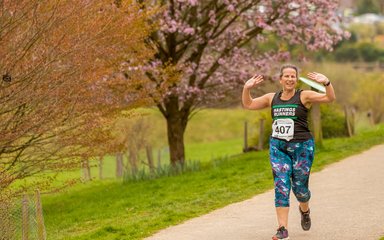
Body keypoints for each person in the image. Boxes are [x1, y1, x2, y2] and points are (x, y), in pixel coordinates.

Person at [242, 64, 336, 240]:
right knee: (281, 185)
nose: (290, 79)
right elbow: (248, 104)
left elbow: (329, 98)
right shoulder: (272, 98)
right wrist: (246, 89)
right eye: (287, 76)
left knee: (300, 189)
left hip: (302, 147)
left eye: (293, 76)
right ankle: (282, 229)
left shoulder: (304, 95)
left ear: (296, 79)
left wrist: (327, 83)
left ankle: (305, 210)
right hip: (278, 147)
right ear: (280, 79)